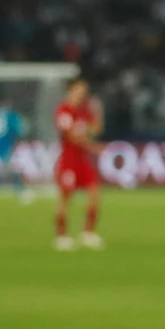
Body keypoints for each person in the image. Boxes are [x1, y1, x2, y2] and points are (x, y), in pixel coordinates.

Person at [53, 79, 104, 250]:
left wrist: (98, 112)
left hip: (82, 160)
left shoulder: (84, 111)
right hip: (69, 160)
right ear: (71, 90)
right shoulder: (63, 110)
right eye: (79, 90)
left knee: (94, 194)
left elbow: (95, 130)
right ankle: (61, 236)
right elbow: (71, 137)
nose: (82, 93)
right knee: (65, 198)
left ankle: (88, 233)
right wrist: (93, 148)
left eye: (84, 90)